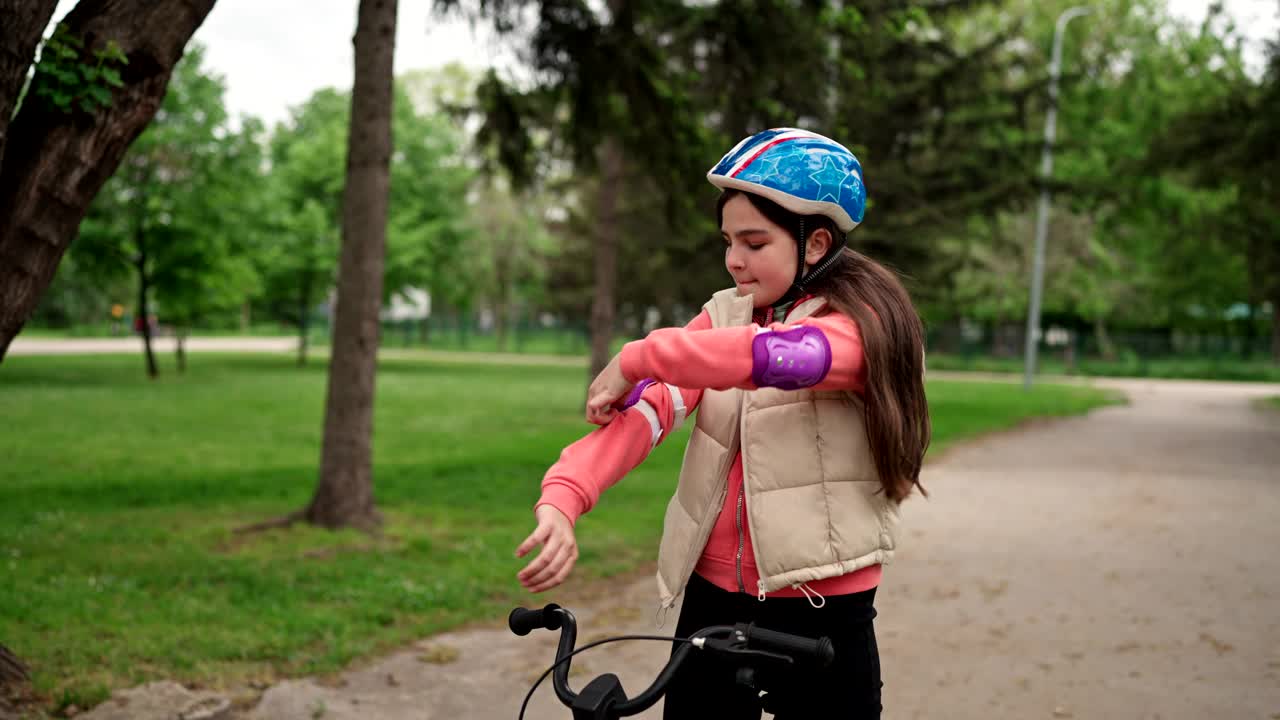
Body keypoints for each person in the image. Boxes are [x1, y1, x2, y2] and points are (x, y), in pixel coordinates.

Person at [515, 128, 931, 719]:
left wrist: (637, 355)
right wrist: (564, 496)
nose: (735, 258)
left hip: (822, 607)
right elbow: (650, 411)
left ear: (814, 243)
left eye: (755, 242)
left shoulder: (863, 328)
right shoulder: (722, 317)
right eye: (728, 241)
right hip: (713, 598)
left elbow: (769, 359)